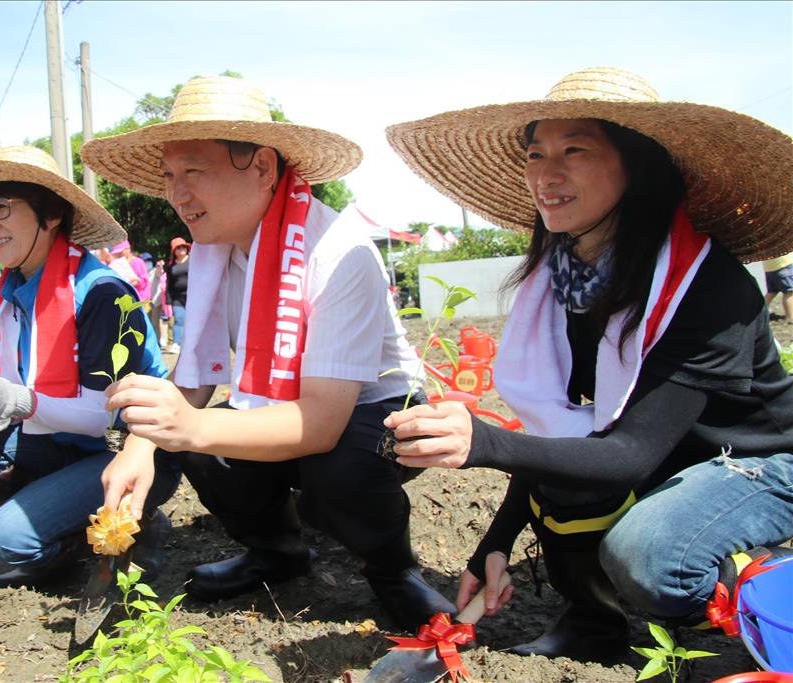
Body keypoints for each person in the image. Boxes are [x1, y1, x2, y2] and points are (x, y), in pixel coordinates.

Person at [383, 67, 793, 660]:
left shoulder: (706, 286)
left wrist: (485, 443)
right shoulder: (566, 285)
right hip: (664, 454)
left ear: (639, 165)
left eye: (574, 150)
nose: (546, 175)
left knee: (653, 555)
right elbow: (570, 431)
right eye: (536, 153)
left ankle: (747, 589)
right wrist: (493, 545)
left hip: (758, 462)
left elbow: (630, 452)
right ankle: (592, 624)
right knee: (573, 467)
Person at [81, 75, 457, 630]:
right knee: (202, 445)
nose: (176, 195)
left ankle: (393, 568)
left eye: (193, 172)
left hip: (372, 414)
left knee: (339, 464)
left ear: (261, 166)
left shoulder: (338, 254)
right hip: (291, 409)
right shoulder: (214, 256)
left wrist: (188, 427)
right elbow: (193, 382)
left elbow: (324, 422)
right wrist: (142, 446)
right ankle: (277, 550)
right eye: (168, 177)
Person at [0, 145, 180, 586]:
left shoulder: (103, 295)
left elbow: (98, 419)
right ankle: (70, 528)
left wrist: (15, 400)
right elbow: (10, 378)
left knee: (6, 544)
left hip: (127, 447)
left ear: (50, 216)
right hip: (59, 443)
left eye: (3, 209)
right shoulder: (4, 290)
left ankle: (135, 524)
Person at [164, 236, 190, 354]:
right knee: (179, 319)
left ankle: (190, 344)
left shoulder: (193, 260)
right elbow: (168, 284)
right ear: (174, 251)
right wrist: (168, 301)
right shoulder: (171, 265)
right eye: (178, 248)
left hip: (192, 297)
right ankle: (176, 343)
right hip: (177, 298)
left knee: (192, 321)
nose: (181, 249)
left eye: (183, 247)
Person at [763, 251, 793, 322]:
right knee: (790, 292)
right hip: (783, 264)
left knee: (772, 292)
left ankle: (757, 313)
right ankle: (790, 317)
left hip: (769, 266)